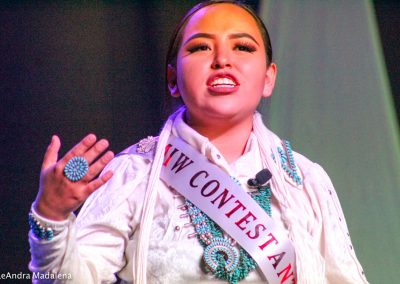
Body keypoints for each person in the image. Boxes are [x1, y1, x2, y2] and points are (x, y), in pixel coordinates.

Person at [28, 1, 369, 283]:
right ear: (172, 79)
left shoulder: (305, 181)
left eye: (243, 47)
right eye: (201, 47)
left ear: (268, 79)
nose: (223, 60)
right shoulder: (135, 175)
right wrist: (52, 216)